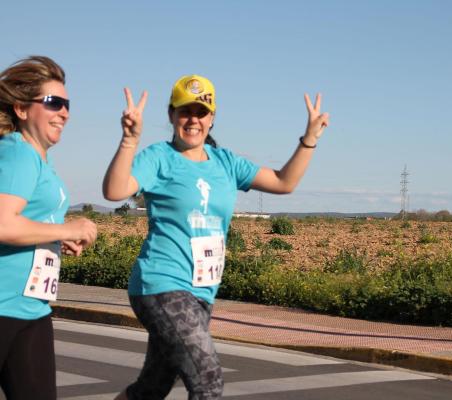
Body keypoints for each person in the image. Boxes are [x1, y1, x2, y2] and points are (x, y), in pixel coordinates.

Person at [103, 74, 329, 400]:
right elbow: (113, 190)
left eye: (201, 112)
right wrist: (129, 140)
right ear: (171, 116)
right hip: (161, 284)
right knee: (208, 382)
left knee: (151, 388)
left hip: (201, 292)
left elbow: (283, 182)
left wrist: (309, 139)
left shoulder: (226, 163)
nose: (193, 119)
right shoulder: (159, 157)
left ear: (212, 118)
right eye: (185, 111)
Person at [0, 56, 97, 400]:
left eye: (67, 105)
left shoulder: (41, 159)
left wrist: (58, 237)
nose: (64, 113)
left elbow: (30, 222)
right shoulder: (18, 154)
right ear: (22, 109)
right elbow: (3, 224)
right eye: (53, 103)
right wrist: (65, 230)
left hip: (31, 308)